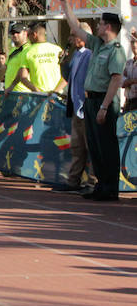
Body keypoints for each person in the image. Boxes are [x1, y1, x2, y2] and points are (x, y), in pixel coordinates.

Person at [60, 0, 125, 202]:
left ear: (108, 27)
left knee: (106, 145)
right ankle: (100, 186)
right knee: (94, 146)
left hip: (103, 101)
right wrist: (66, 6)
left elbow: (115, 80)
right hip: (90, 100)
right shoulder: (97, 45)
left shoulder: (116, 50)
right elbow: (76, 28)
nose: (98, 27)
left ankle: (109, 188)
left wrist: (104, 107)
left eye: (101, 24)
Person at [53, 23, 94, 193]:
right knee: (77, 146)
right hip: (76, 107)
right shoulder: (76, 55)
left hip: (86, 107)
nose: (70, 39)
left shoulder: (90, 55)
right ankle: (73, 180)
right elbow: (68, 76)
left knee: (90, 146)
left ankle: (92, 182)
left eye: (73, 35)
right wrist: (63, 62)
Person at [11, 23, 64, 94]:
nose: (27, 38)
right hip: (57, 95)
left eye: (28, 35)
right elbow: (66, 75)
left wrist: (38, 91)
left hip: (39, 97)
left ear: (34, 35)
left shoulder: (27, 51)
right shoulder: (57, 49)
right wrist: (56, 91)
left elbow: (23, 78)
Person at [3, 23, 32, 95]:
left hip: (24, 94)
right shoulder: (13, 51)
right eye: (13, 33)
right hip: (11, 93)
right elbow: (4, 68)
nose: (15, 35)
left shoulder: (29, 50)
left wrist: (12, 86)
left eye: (18, 32)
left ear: (25, 33)